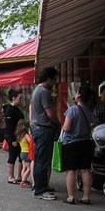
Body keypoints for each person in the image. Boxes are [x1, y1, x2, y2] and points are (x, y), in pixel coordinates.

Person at [62, 85, 97, 204]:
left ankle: (71, 197)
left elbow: (66, 128)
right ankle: (86, 197)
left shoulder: (72, 110)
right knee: (86, 170)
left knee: (71, 170)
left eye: (76, 92)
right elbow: (92, 124)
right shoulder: (88, 110)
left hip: (72, 144)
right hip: (86, 143)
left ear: (79, 95)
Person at [30, 67, 61, 201]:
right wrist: (57, 123)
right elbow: (50, 113)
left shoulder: (37, 90)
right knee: (42, 161)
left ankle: (41, 186)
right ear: (48, 78)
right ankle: (40, 190)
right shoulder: (44, 92)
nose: (54, 82)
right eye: (54, 79)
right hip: (44, 129)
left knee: (40, 160)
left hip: (37, 128)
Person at [4, 89, 25, 184]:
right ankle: (10, 176)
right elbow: (9, 127)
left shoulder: (17, 109)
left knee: (21, 156)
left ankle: (19, 175)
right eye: (19, 98)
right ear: (13, 98)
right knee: (12, 155)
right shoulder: (9, 110)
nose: (21, 100)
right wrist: (12, 139)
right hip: (13, 136)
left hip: (20, 136)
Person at [15, 119, 33, 189]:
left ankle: (23, 179)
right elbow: (30, 141)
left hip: (22, 152)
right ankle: (23, 181)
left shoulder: (19, 135)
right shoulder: (26, 135)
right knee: (29, 168)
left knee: (24, 167)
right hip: (27, 152)